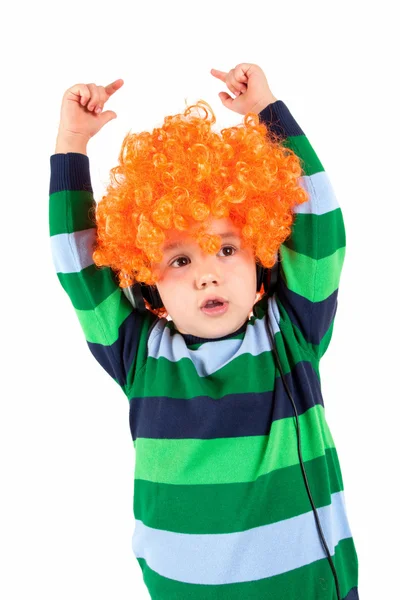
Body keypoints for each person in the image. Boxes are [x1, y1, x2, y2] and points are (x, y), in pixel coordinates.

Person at [49, 63, 359, 599]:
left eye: (227, 248)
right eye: (180, 260)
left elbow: (322, 223)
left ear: (263, 259)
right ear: (149, 286)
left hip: (305, 587)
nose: (208, 272)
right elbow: (78, 267)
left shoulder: (290, 334)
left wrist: (269, 116)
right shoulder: (140, 354)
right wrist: (71, 144)